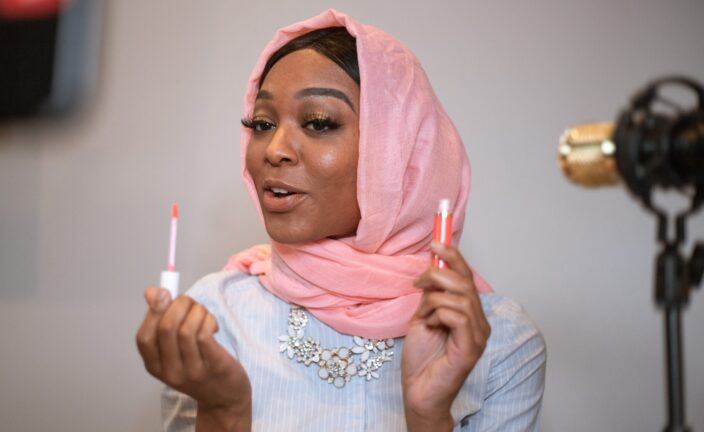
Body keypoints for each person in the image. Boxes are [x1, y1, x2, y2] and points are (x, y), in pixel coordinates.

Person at [136, 9, 545, 432]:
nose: (274, 149)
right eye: (262, 123)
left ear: (399, 151)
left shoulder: (498, 342)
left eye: (318, 122)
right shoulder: (213, 319)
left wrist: (427, 417)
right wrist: (224, 413)